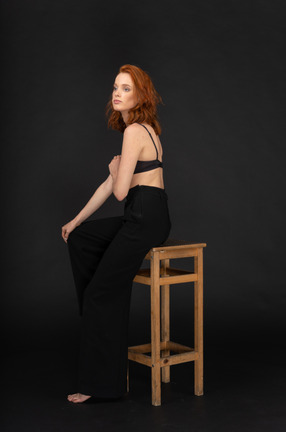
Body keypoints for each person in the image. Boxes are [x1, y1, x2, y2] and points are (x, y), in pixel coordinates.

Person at [61, 64, 172, 403]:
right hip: (145, 215)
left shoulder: (136, 130)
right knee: (81, 239)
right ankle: (100, 309)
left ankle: (99, 385)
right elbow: (108, 186)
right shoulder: (145, 129)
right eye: (116, 87)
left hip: (144, 217)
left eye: (126, 88)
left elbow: (120, 190)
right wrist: (75, 220)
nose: (117, 93)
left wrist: (113, 166)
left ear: (139, 96)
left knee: (99, 294)